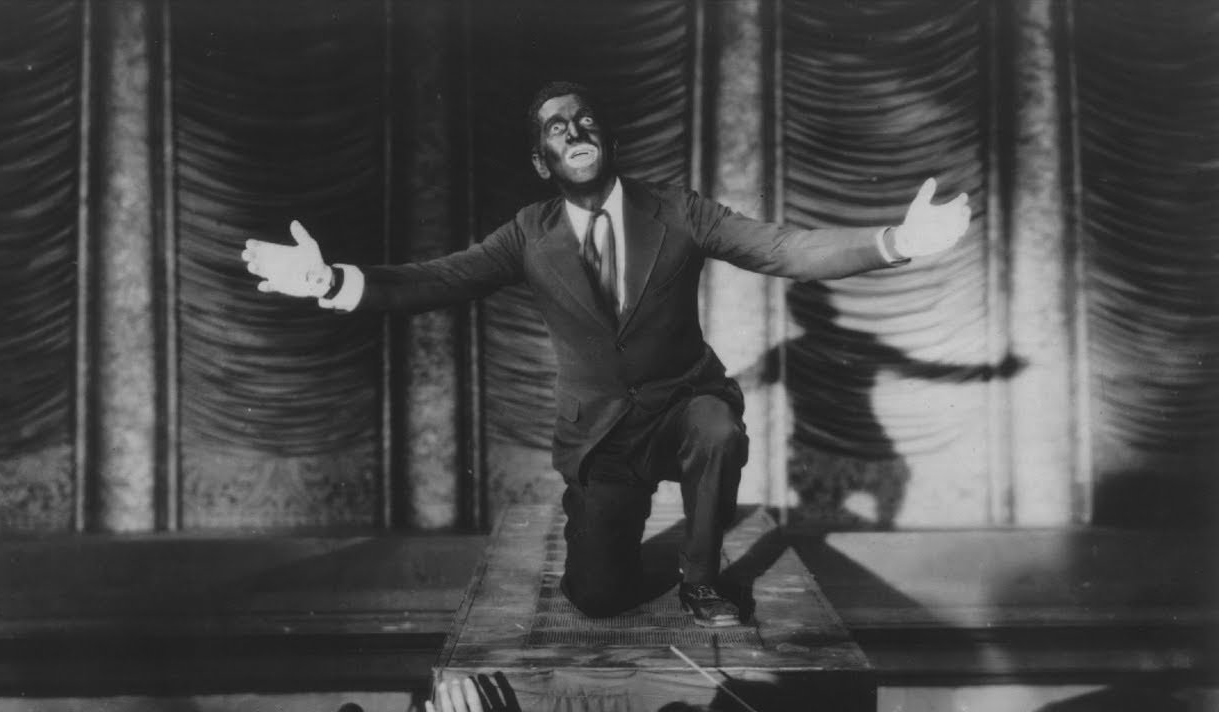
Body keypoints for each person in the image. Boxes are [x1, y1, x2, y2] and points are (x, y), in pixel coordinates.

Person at [241, 80, 970, 627]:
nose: (575, 129)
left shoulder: (679, 210)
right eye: (557, 127)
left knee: (718, 430)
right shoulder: (528, 233)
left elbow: (782, 248)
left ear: (609, 139)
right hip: (602, 434)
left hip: (685, 404)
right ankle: (609, 546)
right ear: (543, 160)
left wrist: (895, 242)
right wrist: (333, 281)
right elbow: (438, 278)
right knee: (595, 597)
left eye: (586, 119)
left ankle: (701, 578)